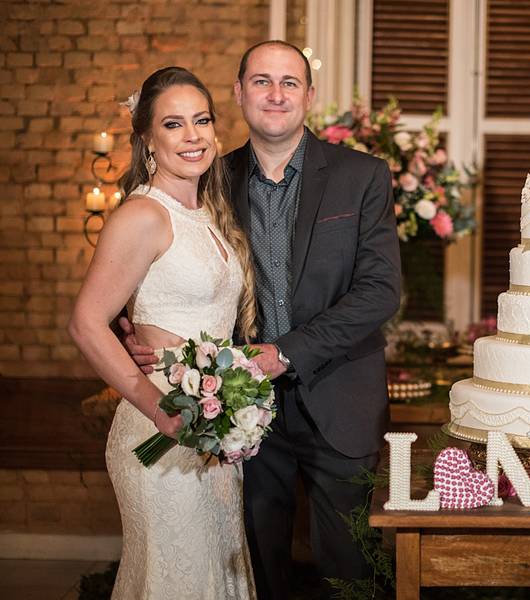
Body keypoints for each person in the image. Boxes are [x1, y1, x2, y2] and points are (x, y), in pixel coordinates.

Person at [124, 41, 402, 599]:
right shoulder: (210, 178)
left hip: (340, 397)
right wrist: (132, 327)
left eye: (289, 83)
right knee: (255, 566)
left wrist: (286, 351)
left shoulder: (362, 176)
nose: (276, 95)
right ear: (239, 92)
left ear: (309, 95)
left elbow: (380, 290)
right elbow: (143, 253)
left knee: (349, 569)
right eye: (261, 82)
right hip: (239, 410)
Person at [69, 67, 257, 599]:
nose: (193, 135)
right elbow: (86, 323)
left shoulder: (205, 215)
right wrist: (159, 406)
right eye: (174, 124)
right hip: (159, 433)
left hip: (208, 431)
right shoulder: (143, 215)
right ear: (147, 139)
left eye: (202, 120)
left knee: (213, 577)